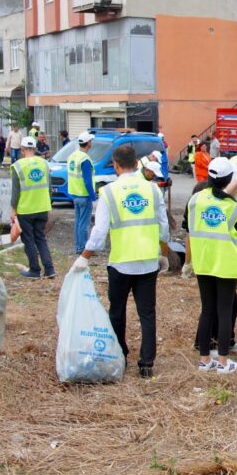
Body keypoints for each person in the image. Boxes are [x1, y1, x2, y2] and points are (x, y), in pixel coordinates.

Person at [73, 145, 170, 378]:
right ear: (137, 163)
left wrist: (84, 257)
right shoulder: (153, 190)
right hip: (147, 262)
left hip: (121, 263)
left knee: (117, 311)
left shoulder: (109, 192)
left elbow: (99, 231)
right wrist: (163, 252)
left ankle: (120, 356)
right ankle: (147, 363)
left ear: (115, 165)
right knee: (147, 313)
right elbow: (163, 226)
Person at [187, 157, 237, 374]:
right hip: (225, 263)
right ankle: (224, 362)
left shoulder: (196, 199)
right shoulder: (232, 207)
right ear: (227, 180)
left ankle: (205, 359)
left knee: (207, 309)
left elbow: (186, 225)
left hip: (203, 262)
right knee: (224, 311)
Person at [12, 137, 55, 278]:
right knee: (41, 238)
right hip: (42, 207)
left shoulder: (18, 166)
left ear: (22, 149)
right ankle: (49, 269)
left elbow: (16, 191)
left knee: (29, 240)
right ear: (35, 148)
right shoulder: (44, 163)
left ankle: (35, 270)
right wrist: (49, 205)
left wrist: (13, 210)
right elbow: (49, 188)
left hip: (25, 208)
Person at [67, 132, 98, 254]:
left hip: (75, 194)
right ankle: (83, 248)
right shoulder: (85, 159)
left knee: (78, 223)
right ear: (88, 143)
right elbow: (87, 181)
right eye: (91, 141)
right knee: (84, 225)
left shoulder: (73, 156)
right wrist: (93, 197)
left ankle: (78, 247)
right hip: (84, 195)